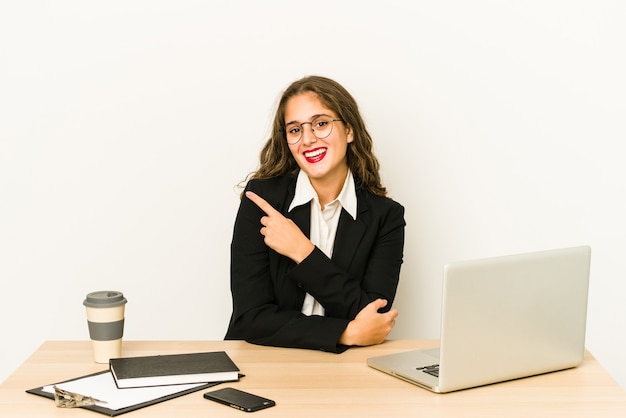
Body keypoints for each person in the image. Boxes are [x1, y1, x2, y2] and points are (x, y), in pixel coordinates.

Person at [225, 76, 405, 353]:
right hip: (262, 362)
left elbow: (373, 316)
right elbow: (250, 318)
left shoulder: (386, 217)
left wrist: (303, 252)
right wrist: (345, 332)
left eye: (321, 124)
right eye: (295, 129)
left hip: (346, 370)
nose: (307, 139)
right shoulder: (261, 201)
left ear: (349, 130)